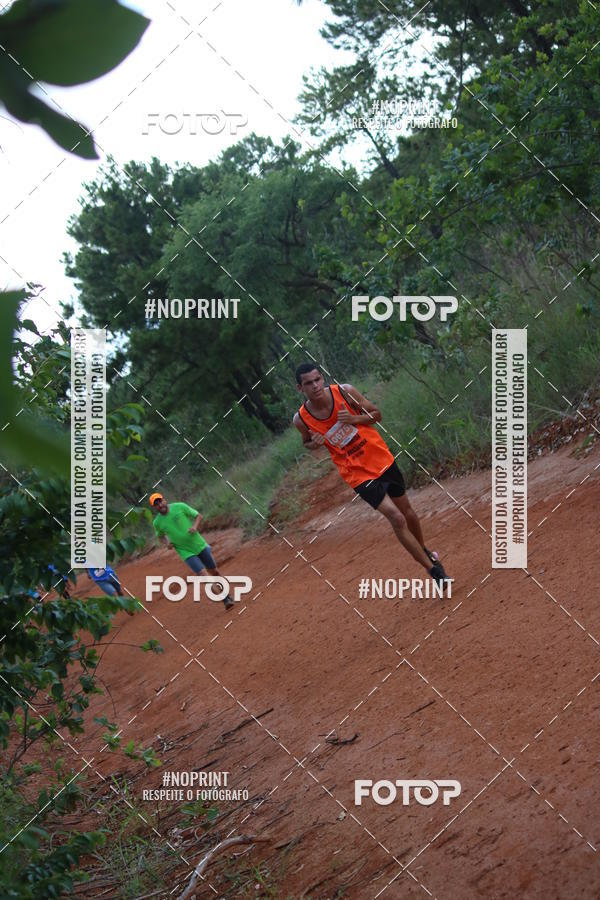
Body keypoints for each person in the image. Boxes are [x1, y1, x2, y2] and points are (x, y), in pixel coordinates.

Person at [293, 364, 450, 588]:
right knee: (396, 517)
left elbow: (377, 415)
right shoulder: (301, 419)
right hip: (356, 473)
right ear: (300, 388)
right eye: (309, 383)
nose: (316, 385)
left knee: (408, 513)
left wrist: (354, 420)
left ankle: (424, 551)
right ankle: (433, 570)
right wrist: (313, 443)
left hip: (381, 459)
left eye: (318, 379)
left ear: (323, 378)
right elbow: (306, 441)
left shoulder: (345, 392)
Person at [149, 493, 234, 610]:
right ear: (155, 507)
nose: (159, 505)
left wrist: (195, 527)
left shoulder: (179, 506)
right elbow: (160, 536)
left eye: (160, 501)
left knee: (214, 572)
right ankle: (225, 600)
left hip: (199, 544)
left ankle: (227, 594)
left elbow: (198, 516)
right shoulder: (157, 523)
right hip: (185, 552)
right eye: (156, 504)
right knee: (204, 575)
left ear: (164, 499)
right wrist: (167, 543)